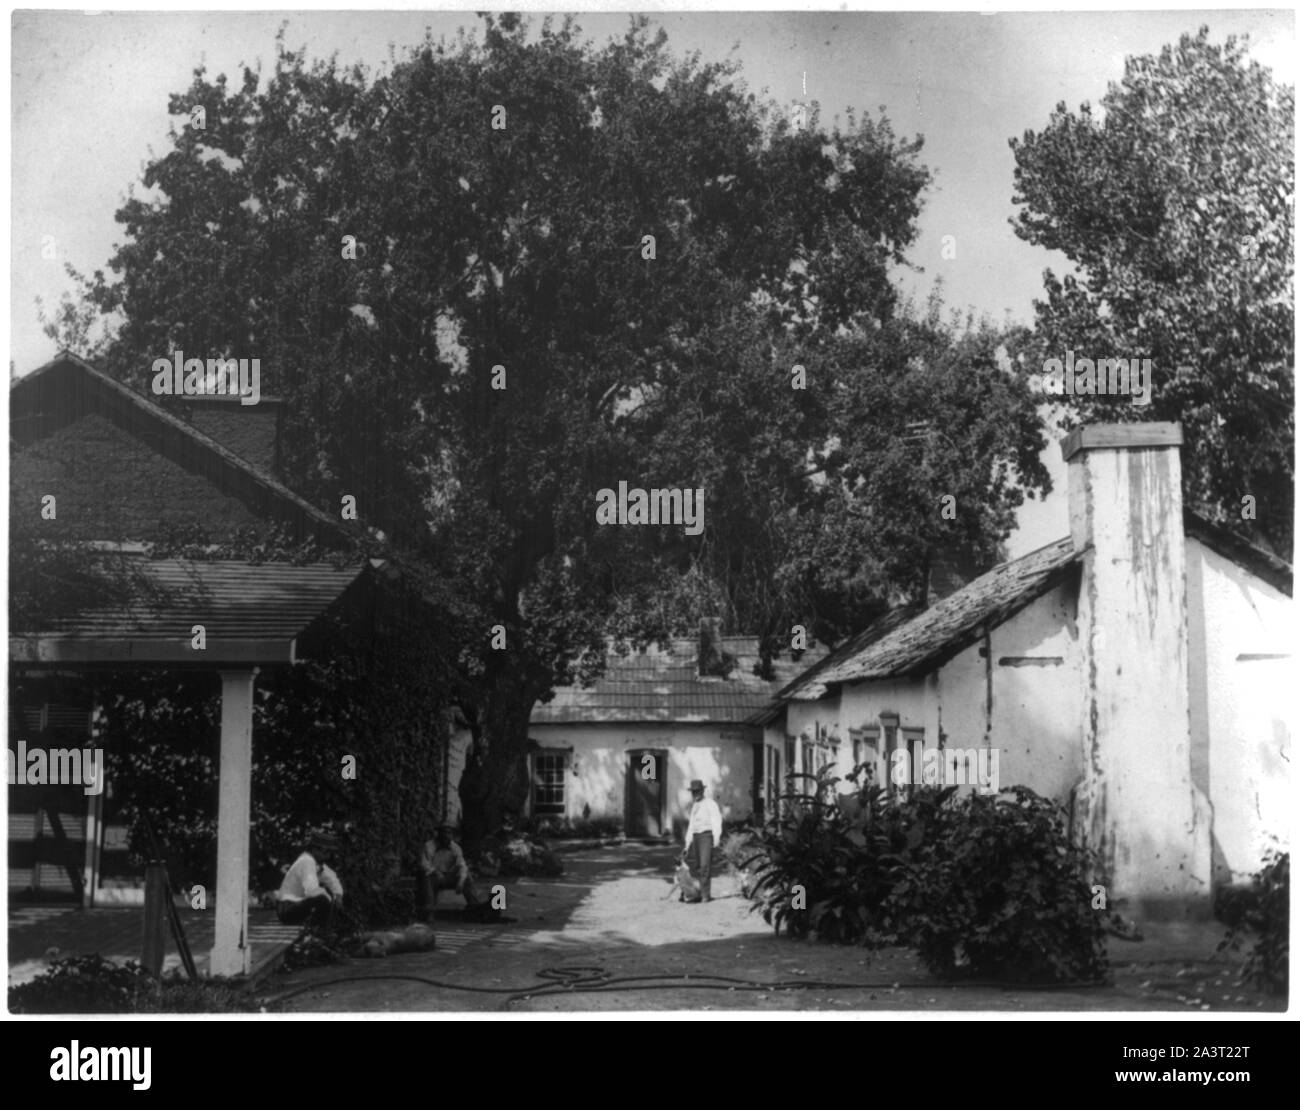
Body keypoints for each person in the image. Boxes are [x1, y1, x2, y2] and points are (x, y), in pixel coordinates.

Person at [277, 833, 344, 930]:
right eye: (326, 852)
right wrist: (330, 901)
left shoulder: (315, 862)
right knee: (321, 898)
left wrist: (338, 895)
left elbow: (331, 877)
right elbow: (312, 890)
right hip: (286, 910)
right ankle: (324, 932)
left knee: (326, 897)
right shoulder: (307, 862)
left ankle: (327, 929)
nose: (328, 856)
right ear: (315, 849)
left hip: (295, 905)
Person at [420, 825, 479, 919]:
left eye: (449, 833)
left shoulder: (456, 847)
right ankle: (429, 911)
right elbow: (424, 864)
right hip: (435, 876)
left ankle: (475, 909)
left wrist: (461, 881)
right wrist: (435, 872)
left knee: (466, 877)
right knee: (426, 877)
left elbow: (462, 865)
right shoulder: (429, 846)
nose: (446, 836)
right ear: (438, 834)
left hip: (449, 876)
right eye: (444, 833)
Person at [684, 779, 723, 903]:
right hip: (696, 836)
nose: (695, 794)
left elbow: (716, 821)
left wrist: (716, 837)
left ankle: (706, 895)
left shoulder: (710, 804)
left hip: (706, 836)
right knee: (697, 866)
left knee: (705, 865)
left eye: (697, 791)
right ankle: (699, 892)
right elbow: (691, 825)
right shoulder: (694, 806)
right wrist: (687, 843)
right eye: (693, 792)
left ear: (702, 791)